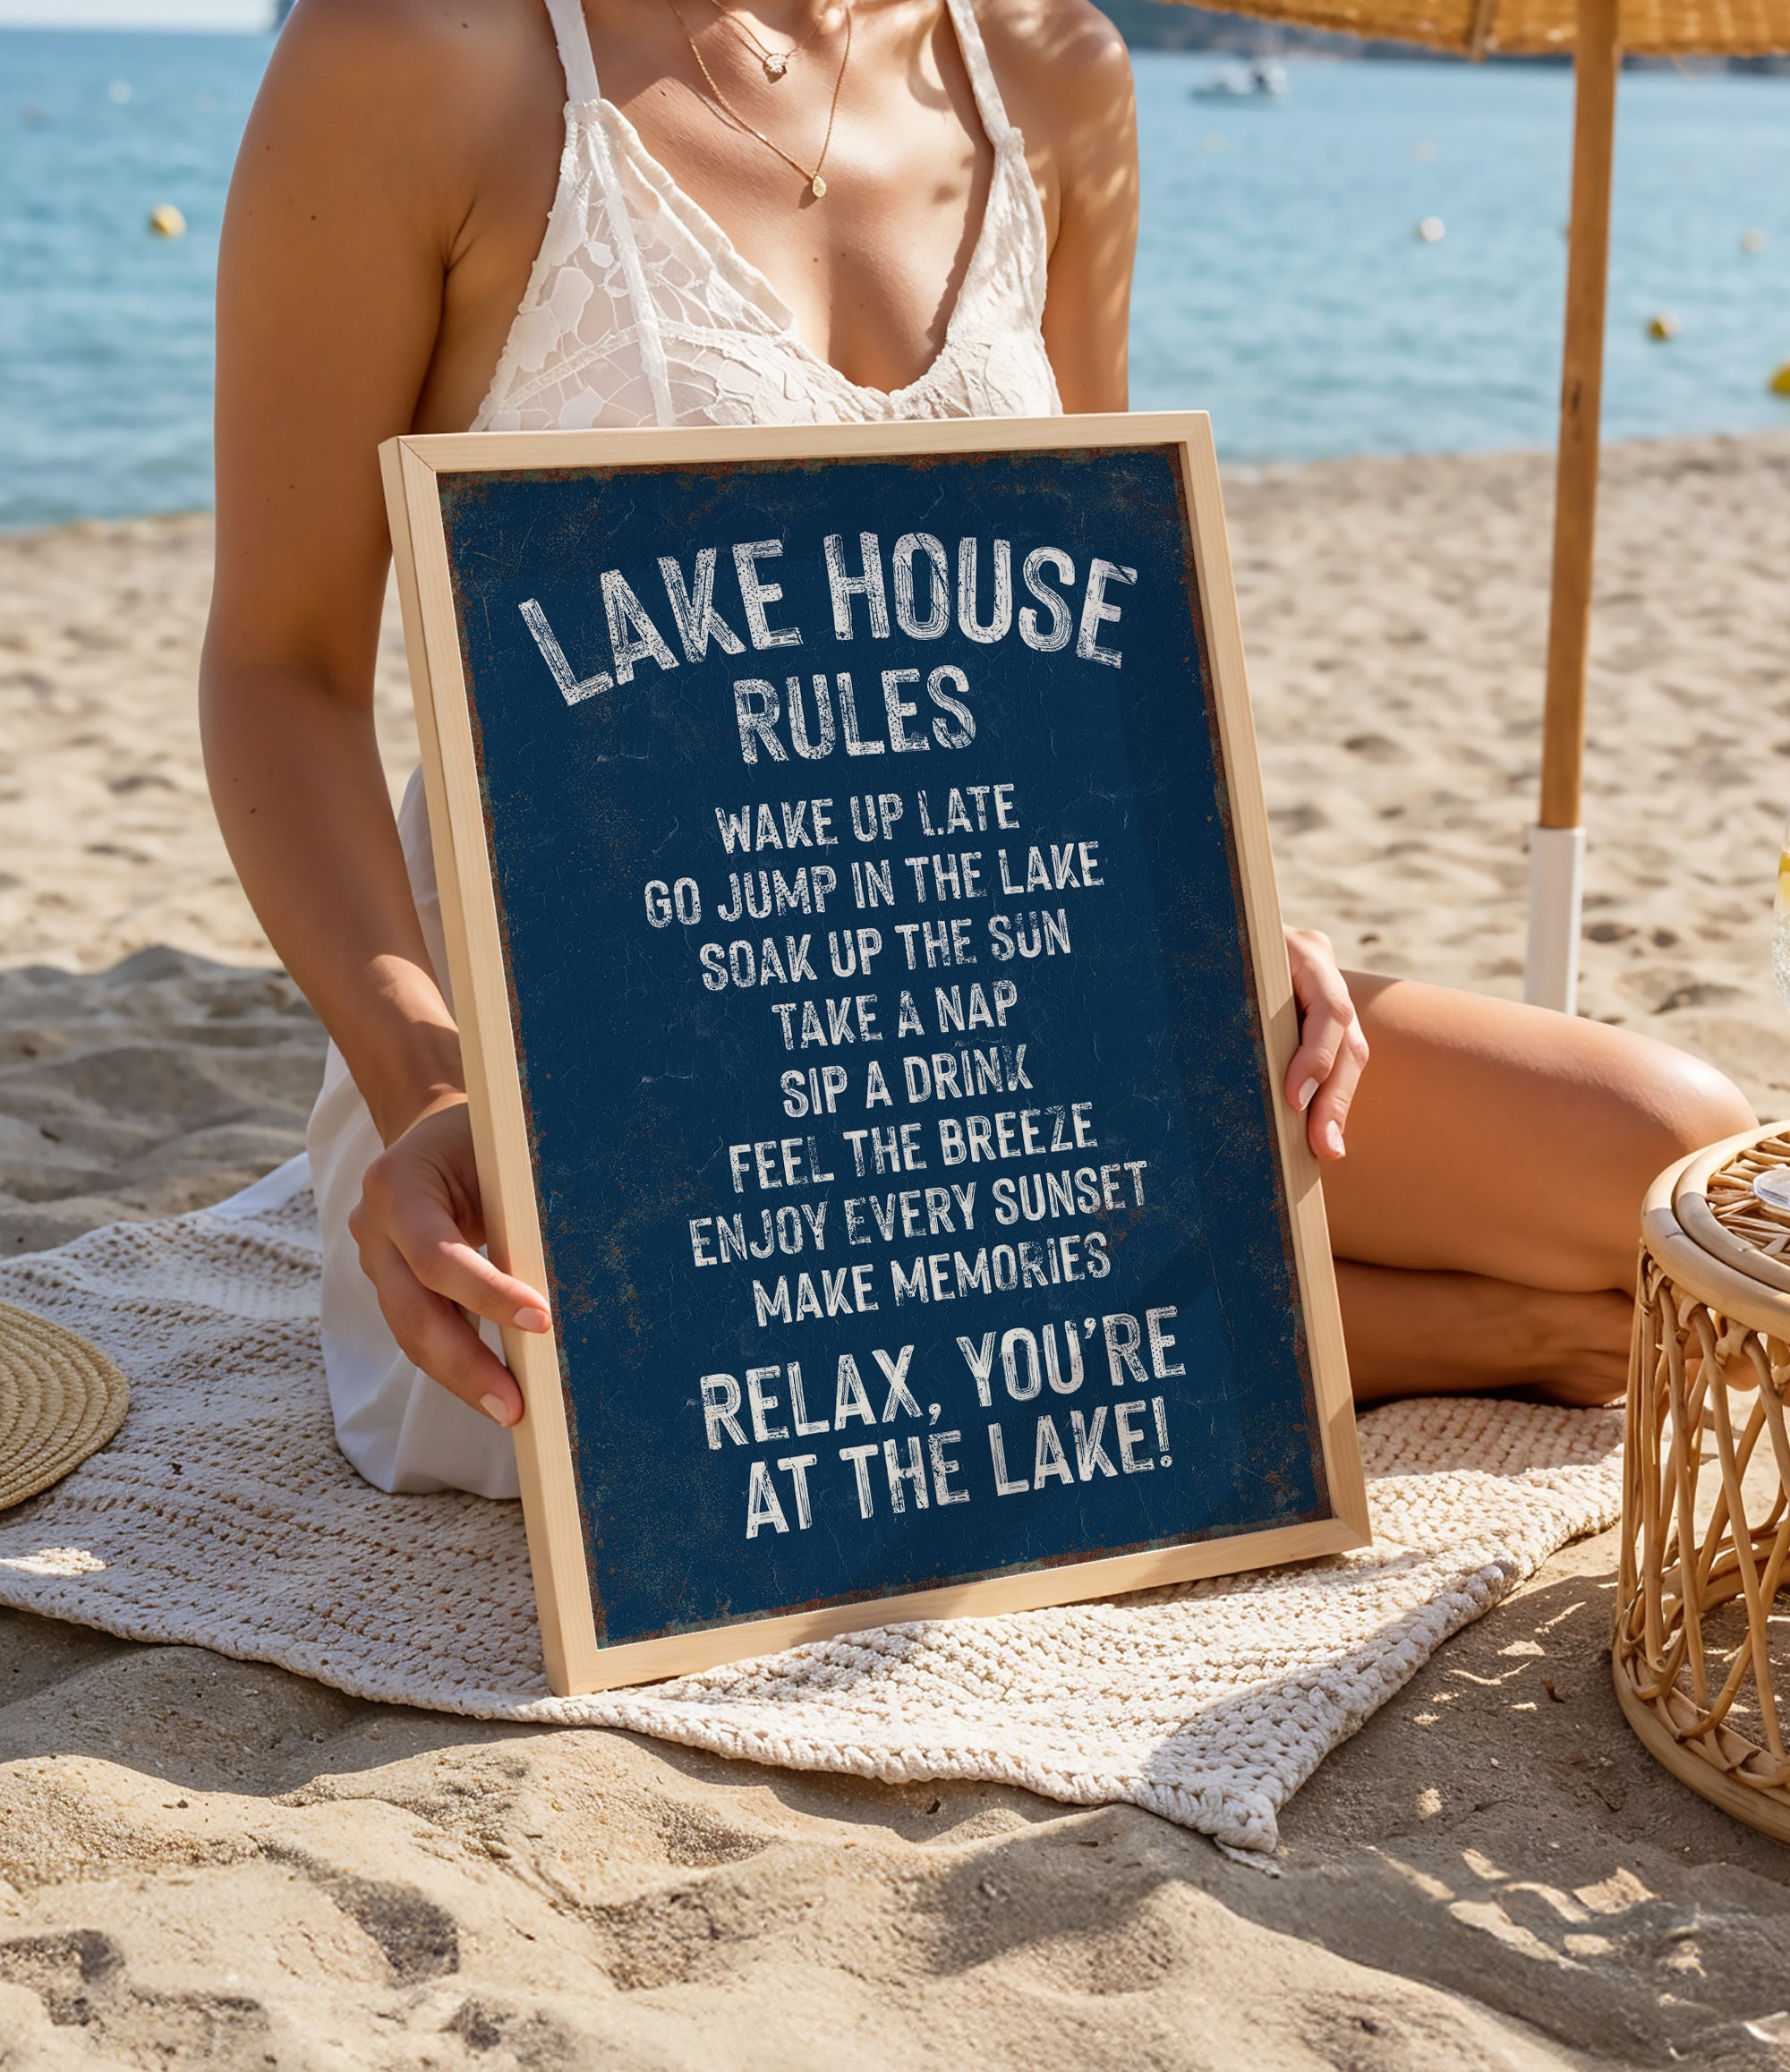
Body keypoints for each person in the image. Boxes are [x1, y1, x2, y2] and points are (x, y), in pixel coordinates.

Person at [201, 0, 1754, 1501]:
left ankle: (1282, 1316)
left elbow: (1090, 604)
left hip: (1002, 957)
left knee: (1671, 1162)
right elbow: (286, 667)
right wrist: (425, 1086)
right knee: (673, 1366)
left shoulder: (1050, 63)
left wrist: (1195, 873)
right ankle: (1439, 1335)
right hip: (600, 1025)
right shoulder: (412, 53)